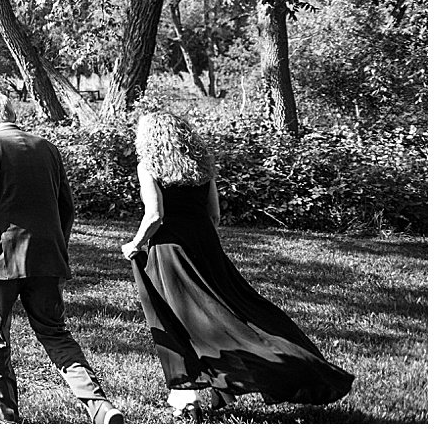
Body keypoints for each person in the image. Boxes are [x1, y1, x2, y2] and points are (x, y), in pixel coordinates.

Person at [122, 112, 354, 419]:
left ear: (149, 137)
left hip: (170, 250)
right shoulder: (201, 165)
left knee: (179, 320)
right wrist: (201, 242)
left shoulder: (148, 165)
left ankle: (186, 396)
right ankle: (268, 366)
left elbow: (155, 215)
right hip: (205, 245)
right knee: (232, 310)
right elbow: (214, 215)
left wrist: (135, 244)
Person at [0, 91, 124, 425]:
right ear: (12, 114)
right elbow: (67, 207)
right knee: (55, 333)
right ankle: (99, 407)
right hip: (46, 256)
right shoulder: (47, 148)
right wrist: (55, 243)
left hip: (3, 259)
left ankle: (4, 413)